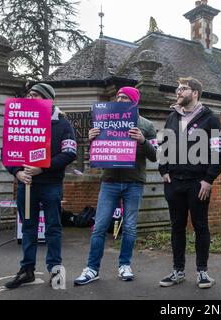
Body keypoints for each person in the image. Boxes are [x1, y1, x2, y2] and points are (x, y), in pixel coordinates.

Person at [74, 87, 158, 285]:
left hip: (134, 182)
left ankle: (125, 265)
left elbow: (154, 154)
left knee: (129, 227)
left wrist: (143, 140)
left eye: (124, 97)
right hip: (110, 181)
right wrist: (92, 138)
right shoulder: (103, 120)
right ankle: (92, 269)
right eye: (118, 96)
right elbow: (95, 154)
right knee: (99, 226)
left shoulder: (146, 125)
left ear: (134, 102)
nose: (119, 98)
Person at [5, 83, 77, 289]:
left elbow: (70, 153)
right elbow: (8, 151)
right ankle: (27, 270)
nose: (30, 97)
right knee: (28, 228)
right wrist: (16, 171)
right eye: (29, 94)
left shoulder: (63, 124)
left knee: (53, 228)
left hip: (51, 185)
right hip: (26, 185)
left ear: (48, 99)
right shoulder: (18, 121)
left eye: (35, 95)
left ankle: (55, 270)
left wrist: (42, 168)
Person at [158, 77, 221, 289]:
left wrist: (208, 179)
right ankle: (178, 271)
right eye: (177, 88)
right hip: (174, 183)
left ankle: (202, 272)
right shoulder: (171, 118)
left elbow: (217, 152)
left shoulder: (210, 119)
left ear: (195, 93)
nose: (178, 92)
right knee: (177, 227)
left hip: (198, 184)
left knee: (200, 226)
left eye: (183, 89)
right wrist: (163, 170)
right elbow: (162, 147)